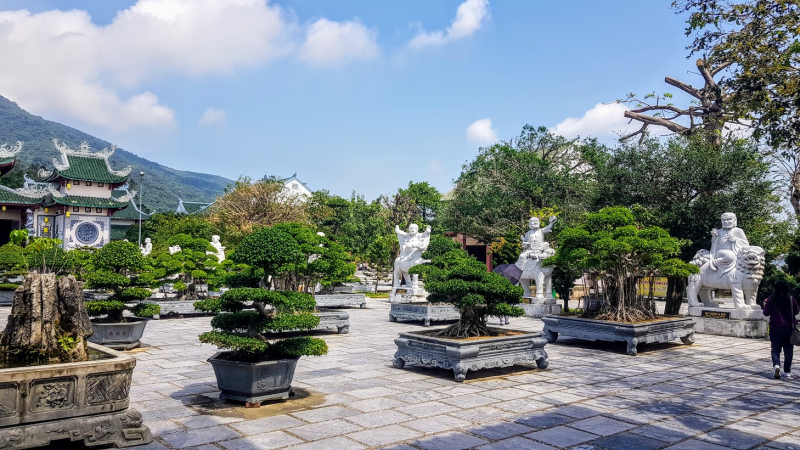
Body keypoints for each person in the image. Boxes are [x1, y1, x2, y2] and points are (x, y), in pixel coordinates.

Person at [762, 281, 800, 379]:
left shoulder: (771, 299)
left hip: (775, 327)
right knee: (788, 350)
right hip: (788, 328)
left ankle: (776, 365)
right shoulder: (791, 299)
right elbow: (796, 311)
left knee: (775, 349)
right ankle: (787, 371)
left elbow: (766, 313)